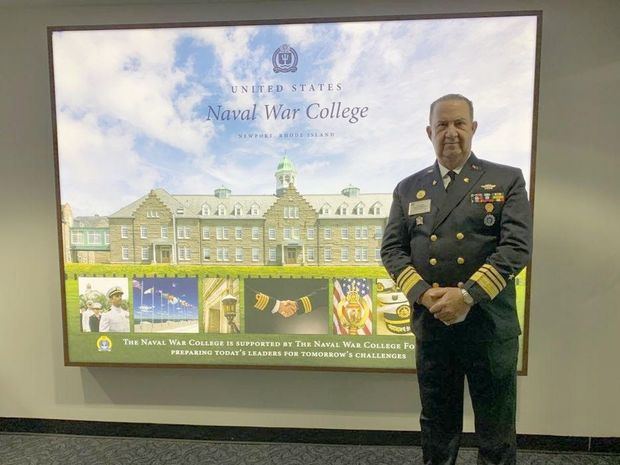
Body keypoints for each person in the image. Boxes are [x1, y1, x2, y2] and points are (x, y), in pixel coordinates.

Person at [381, 94, 532, 465]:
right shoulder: (407, 187)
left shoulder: (505, 179)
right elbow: (392, 251)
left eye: (459, 124)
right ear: (429, 132)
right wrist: (423, 294)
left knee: (496, 430)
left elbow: (517, 247)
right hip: (434, 325)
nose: (451, 133)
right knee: (437, 426)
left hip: (488, 325)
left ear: (473, 128)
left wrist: (466, 296)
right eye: (443, 125)